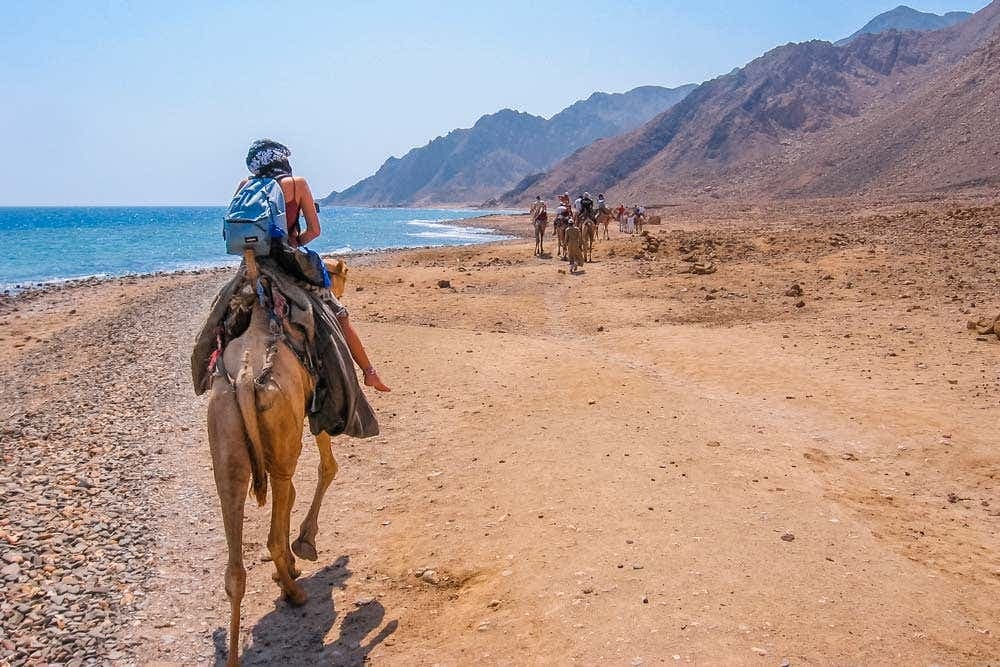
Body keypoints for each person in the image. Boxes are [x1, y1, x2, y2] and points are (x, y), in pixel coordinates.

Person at [237, 140, 390, 393]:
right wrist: (295, 241)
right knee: (338, 314)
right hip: (288, 266)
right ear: (282, 161)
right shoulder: (297, 184)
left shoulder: (245, 185)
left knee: (221, 315)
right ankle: (369, 373)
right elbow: (314, 230)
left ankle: (207, 373)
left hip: (251, 266)